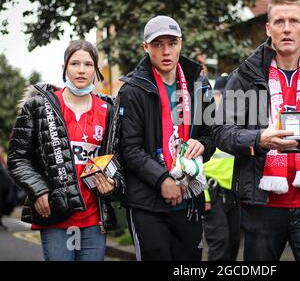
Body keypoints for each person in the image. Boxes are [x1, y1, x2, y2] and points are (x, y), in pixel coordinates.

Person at [213, 0, 300, 261]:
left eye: (293, 21)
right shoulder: (245, 77)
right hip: (262, 206)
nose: (287, 28)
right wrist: (259, 139)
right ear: (268, 29)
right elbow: (221, 132)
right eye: (279, 21)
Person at [7, 40, 125, 261]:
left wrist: (113, 184)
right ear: (64, 68)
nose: (81, 70)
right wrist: (39, 190)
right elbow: (17, 158)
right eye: (75, 63)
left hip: (94, 219)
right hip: (56, 216)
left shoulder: (109, 111)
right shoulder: (39, 107)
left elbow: (120, 161)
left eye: (88, 64)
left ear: (96, 71)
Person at [117, 15, 215, 261]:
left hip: (189, 201)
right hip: (148, 204)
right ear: (145, 47)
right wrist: (162, 180)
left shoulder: (199, 85)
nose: (166, 51)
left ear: (181, 43)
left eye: (172, 43)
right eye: (158, 44)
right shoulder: (132, 90)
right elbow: (130, 148)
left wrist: (202, 144)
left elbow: (212, 134)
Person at [203, 74, 240, 261]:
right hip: (212, 190)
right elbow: (195, 162)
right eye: (222, 95)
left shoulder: (236, 123)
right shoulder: (206, 123)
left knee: (234, 242)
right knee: (220, 242)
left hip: (234, 192)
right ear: (215, 96)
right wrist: (205, 195)